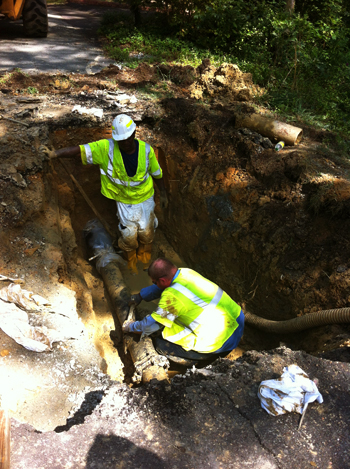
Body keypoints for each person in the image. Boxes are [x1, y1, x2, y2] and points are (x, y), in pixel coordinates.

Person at [41, 114, 168, 274]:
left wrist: (162, 193)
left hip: (145, 199)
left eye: (128, 138)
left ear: (134, 133)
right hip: (124, 201)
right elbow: (80, 150)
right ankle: (131, 261)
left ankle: (144, 257)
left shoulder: (146, 150)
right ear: (116, 139)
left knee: (147, 232)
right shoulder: (106, 148)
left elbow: (157, 173)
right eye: (121, 140)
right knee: (128, 235)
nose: (126, 143)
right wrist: (56, 154)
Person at [123, 258, 245, 359]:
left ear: (162, 280)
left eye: (155, 282)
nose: (155, 285)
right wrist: (141, 295)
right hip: (237, 320)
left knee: (162, 345)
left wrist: (130, 326)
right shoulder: (185, 272)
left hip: (218, 342)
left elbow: (150, 326)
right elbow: (161, 286)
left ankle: (196, 362)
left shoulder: (172, 297)